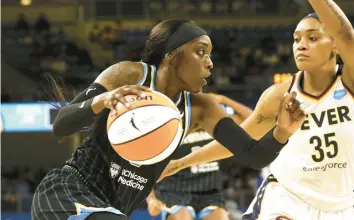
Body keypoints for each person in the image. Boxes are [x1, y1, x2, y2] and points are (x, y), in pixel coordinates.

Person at [31, 19, 305, 220]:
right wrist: (100, 101)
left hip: (113, 209)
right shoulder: (130, 75)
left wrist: (282, 133)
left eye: (210, 54)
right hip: (68, 194)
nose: (210, 63)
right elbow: (61, 124)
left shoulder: (201, 108)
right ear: (172, 55)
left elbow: (252, 155)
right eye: (201, 51)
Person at [160, 2, 354, 219]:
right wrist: (180, 163)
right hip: (287, 200)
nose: (301, 45)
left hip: (342, 206)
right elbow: (241, 141)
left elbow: (346, 34)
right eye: (296, 39)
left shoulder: (349, 82)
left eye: (313, 38)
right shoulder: (278, 96)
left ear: (336, 46)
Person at [146, 93, 253, 220]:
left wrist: (224, 99)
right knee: (183, 217)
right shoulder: (170, 127)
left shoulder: (215, 125)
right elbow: (146, 168)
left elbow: (256, 121)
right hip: (175, 190)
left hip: (210, 192)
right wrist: (151, 199)